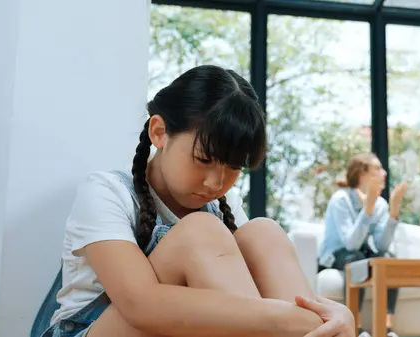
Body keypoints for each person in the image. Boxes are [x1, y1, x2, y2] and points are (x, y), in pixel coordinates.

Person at [33, 65, 356, 337]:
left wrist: (336, 315)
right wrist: (290, 321)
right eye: (203, 159)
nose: (216, 183)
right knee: (200, 231)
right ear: (159, 132)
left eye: (233, 167)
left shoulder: (224, 206)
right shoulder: (106, 191)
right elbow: (140, 304)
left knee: (263, 232)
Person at [318, 153, 408, 337]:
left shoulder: (381, 204)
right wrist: (367, 209)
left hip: (362, 253)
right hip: (337, 254)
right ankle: (355, 329)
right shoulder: (341, 199)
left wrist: (393, 213)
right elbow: (351, 244)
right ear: (362, 174)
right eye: (377, 169)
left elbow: (382, 246)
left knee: (388, 261)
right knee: (357, 260)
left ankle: (386, 329)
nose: (384, 173)